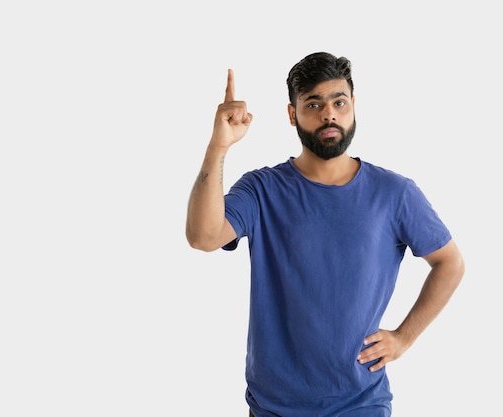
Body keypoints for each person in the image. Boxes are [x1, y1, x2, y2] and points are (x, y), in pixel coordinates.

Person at [186, 52, 465, 417]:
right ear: (292, 114)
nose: (329, 113)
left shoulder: (395, 193)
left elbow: (449, 262)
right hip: (273, 407)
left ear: (353, 108)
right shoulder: (261, 189)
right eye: (313, 103)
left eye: (339, 102)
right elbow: (203, 236)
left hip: (360, 404)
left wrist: (403, 338)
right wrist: (218, 146)